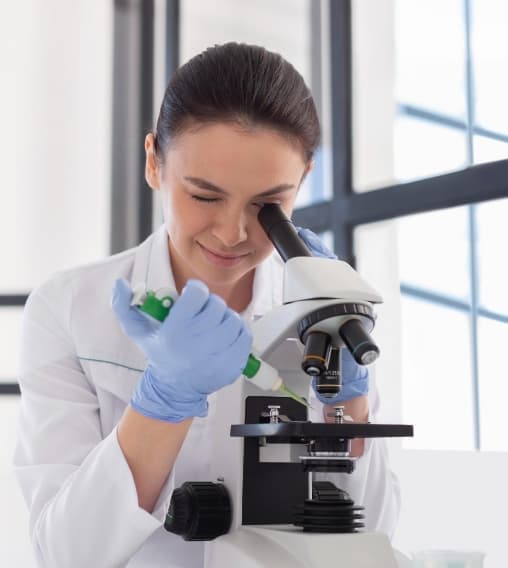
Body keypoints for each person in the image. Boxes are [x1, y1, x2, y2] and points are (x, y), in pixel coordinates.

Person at [13, 42, 400, 567]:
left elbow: (370, 535)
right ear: (154, 162)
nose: (233, 232)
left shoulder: (330, 312)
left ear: (303, 179)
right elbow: (67, 554)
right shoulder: (69, 309)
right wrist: (162, 402)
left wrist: (350, 403)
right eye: (204, 195)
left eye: (268, 206)